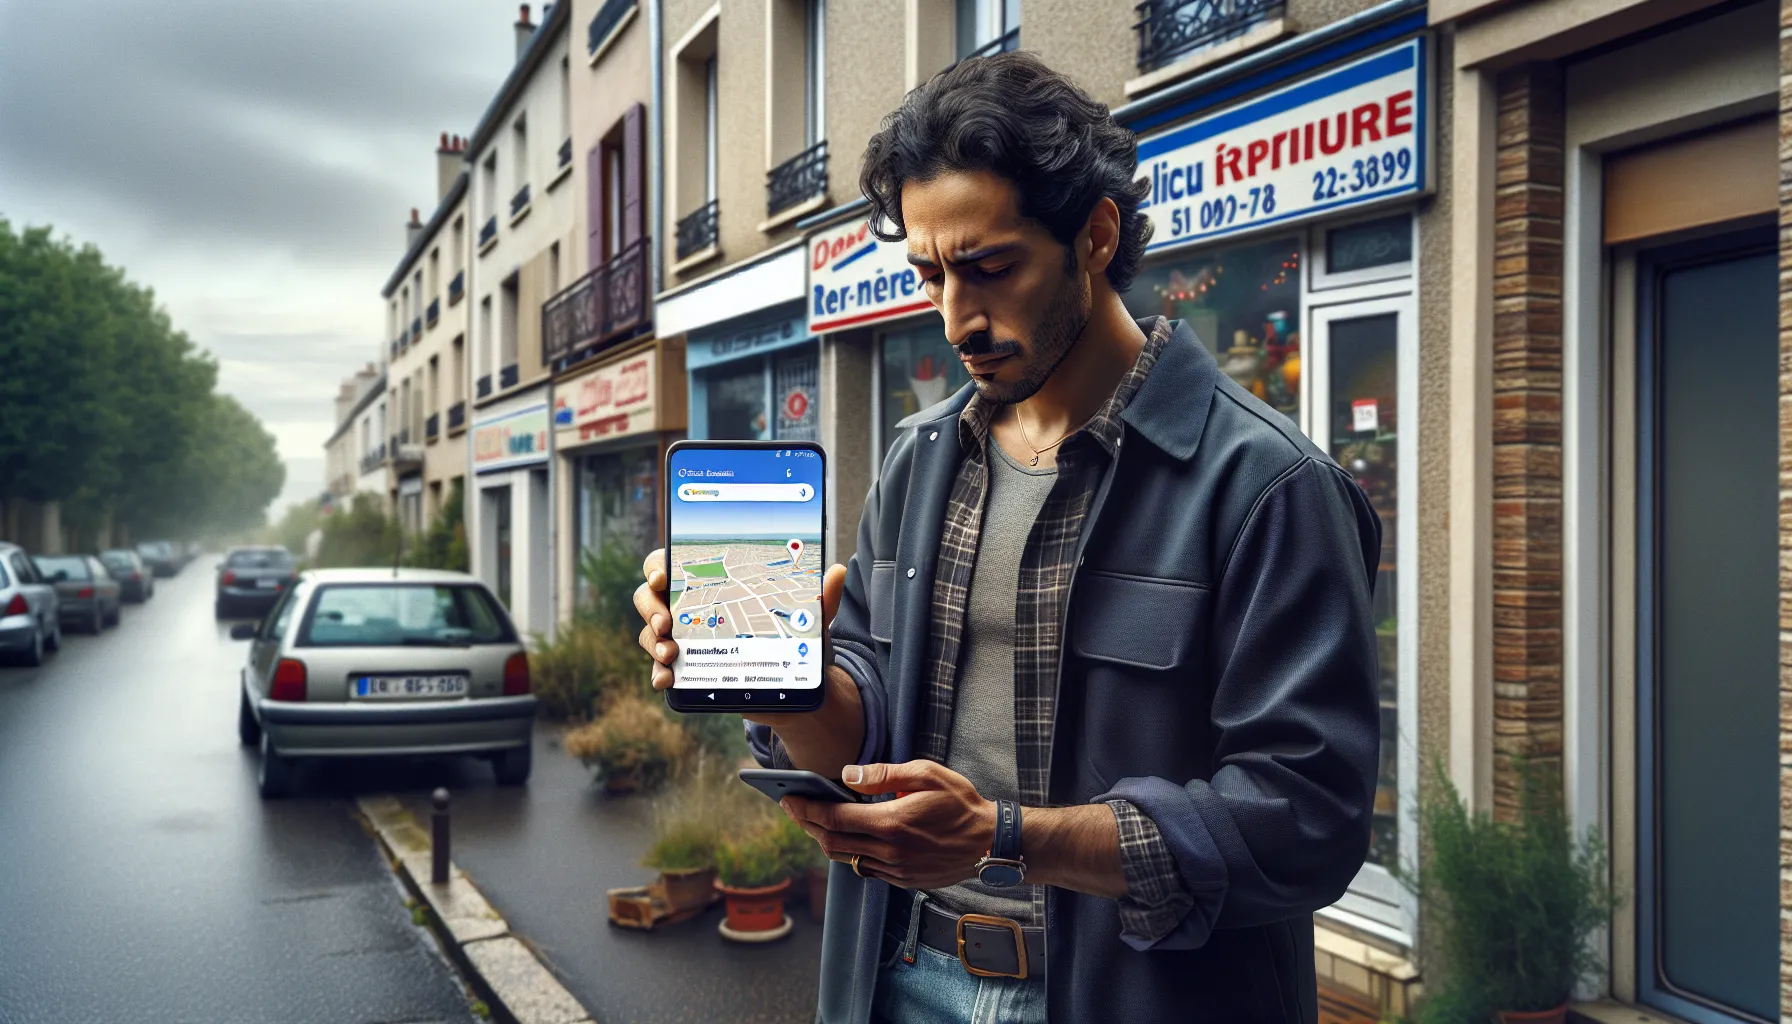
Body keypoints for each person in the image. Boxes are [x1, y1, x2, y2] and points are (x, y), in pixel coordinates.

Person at [635, 51, 1382, 1024]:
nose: (954, 317)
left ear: (1094, 235)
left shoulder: (1270, 485)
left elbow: (1307, 821)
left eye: (989, 267)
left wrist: (1003, 837)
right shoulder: (918, 459)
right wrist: (800, 677)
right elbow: (855, 726)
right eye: (929, 273)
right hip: (894, 981)